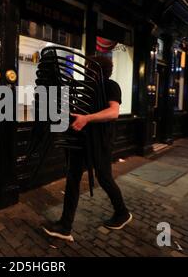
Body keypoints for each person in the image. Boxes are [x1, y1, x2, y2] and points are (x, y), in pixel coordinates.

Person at [43, 56, 132, 242]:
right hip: (81, 140)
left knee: (104, 177)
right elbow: (81, 112)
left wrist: (87, 118)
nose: (85, 69)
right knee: (73, 178)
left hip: (99, 141)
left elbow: (113, 112)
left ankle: (122, 213)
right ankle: (65, 226)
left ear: (97, 69)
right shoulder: (89, 89)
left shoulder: (110, 85)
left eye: (88, 67)